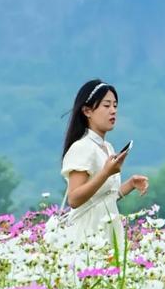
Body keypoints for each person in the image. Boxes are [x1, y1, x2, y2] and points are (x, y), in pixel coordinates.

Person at [60, 79, 149, 250]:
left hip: (108, 229)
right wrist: (106, 173)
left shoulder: (107, 148)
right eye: (106, 106)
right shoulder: (82, 147)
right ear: (87, 111)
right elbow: (74, 198)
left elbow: (104, 197)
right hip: (88, 233)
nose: (113, 111)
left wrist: (130, 184)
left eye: (115, 105)